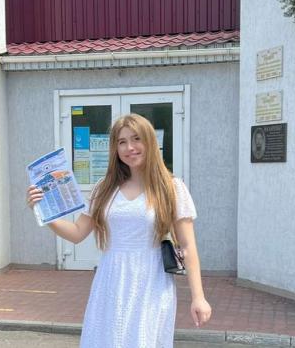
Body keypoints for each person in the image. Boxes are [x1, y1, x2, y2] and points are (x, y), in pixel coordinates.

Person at [26, 113, 212, 347]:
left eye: (136, 139)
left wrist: (198, 297)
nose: (129, 148)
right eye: (121, 142)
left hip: (151, 281)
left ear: (150, 141)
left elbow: (187, 246)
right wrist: (44, 211)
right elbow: (76, 233)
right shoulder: (104, 189)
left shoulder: (171, 187)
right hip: (111, 279)